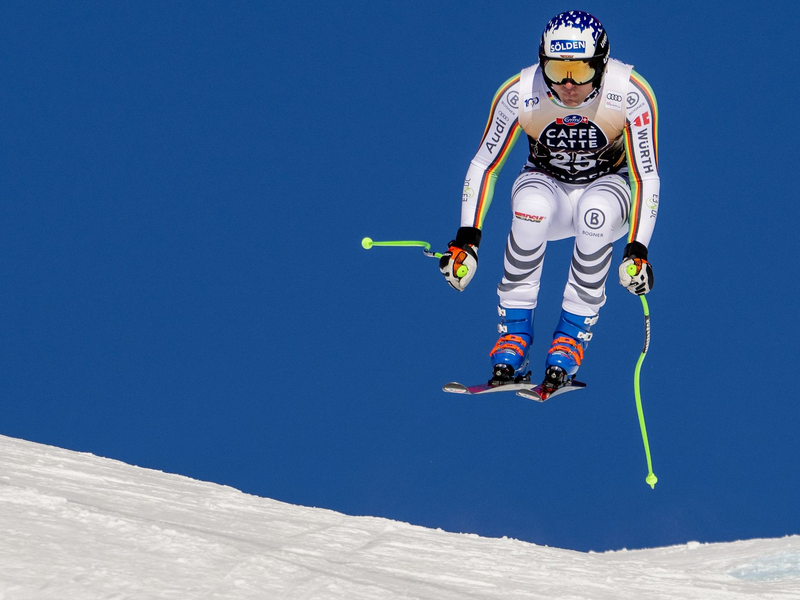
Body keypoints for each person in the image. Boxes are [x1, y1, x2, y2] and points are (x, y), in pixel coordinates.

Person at [439, 10, 658, 391]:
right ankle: (514, 335)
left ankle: (570, 340)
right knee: (531, 208)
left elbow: (645, 175)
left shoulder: (631, 93)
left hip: (607, 186)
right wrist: (467, 242)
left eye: (582, 71)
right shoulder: (521, 93)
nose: (569, 85)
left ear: (602, 65)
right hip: (548, 187)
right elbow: (484, 165)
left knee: (596, 214)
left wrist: (636, 248)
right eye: (557, 71)